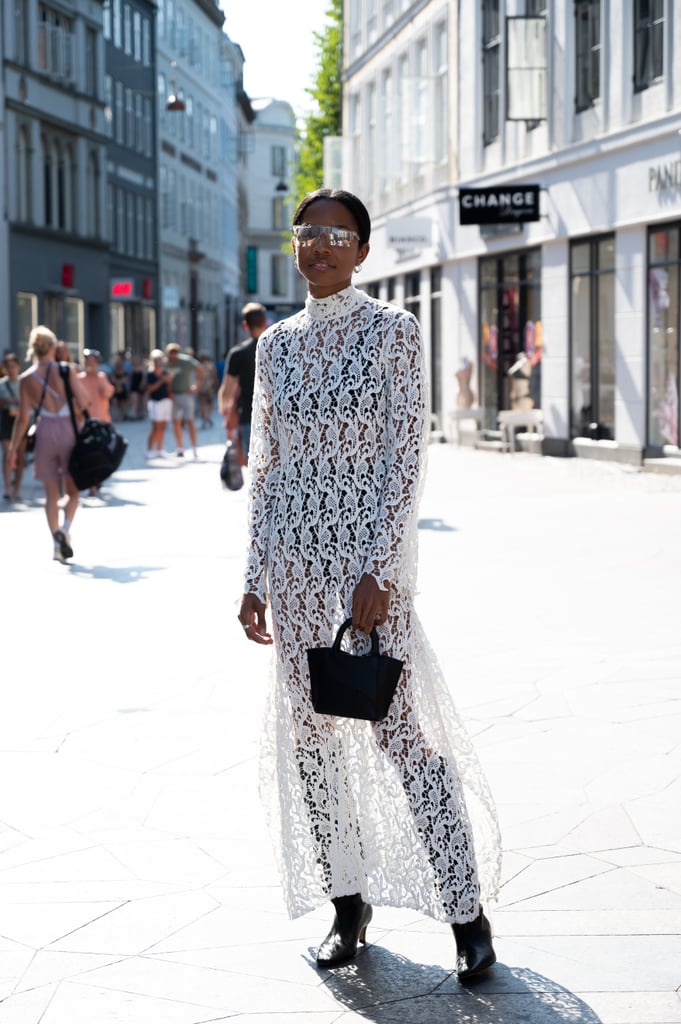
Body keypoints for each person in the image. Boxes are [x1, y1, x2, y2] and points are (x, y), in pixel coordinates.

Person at [237, 189, 501, 978]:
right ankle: (346, 908)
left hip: (365, 578)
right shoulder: (275, 346)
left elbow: (403, 458)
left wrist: (381, 569)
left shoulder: (394, 331)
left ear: (362, 249)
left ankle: (466, 915)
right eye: (306, 233)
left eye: (335, 235)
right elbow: (266, 466)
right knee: (311, 744)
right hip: (293, 572)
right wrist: (253, 574)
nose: (317, 246)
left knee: (403, 739)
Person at [8, 325, 90, 562]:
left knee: (50, 494)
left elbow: (23, 419)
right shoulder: (65, 370)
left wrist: (13, 450)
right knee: (73, 491)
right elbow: (84, 401)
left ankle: (56, 542)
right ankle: (65, 529)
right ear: (53, 347)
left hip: (44, 432)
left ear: (33, 350)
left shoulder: (26, 379)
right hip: (69, 431)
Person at [217, 303, 268, 461]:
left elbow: (227, 390)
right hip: (276, 417)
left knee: (254, 464)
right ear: (266, 322)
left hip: (249, 415)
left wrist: (226, 413)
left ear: (245, 326)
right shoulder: (279, 347)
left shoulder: (237, 353)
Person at [78, 348, 115, 495]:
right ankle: (91, 482)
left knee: (101, 453)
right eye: (88, 361)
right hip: (84, 422)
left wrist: (98, 378)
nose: (90, 364)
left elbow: (107, 393)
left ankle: (97, 480)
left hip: (101, 420)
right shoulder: (78, 378)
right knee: (88, 454)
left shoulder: (101, 377)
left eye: (93, 361)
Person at [165, 342, 203, 457]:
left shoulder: (185, 361)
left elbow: (200, 369)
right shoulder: (166, 363)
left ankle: (194, 447)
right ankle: (180, 447)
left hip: (185, 394)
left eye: (174, 354)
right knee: (175, 422)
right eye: (171, 354)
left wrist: (196, 385)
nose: (173, 357)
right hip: (172, 396)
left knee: (190, 421)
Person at [0, 353, 26, 500]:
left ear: (18, 367)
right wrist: (5, 401)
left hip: (22, 419)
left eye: (13, 366)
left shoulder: (24, 382)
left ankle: (17, 488)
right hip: (6, 420)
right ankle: (8, 487)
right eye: (8, 367)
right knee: (7, 454)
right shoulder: (1, 385)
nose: (11, 369)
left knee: (20, 456)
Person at [145, 350, 173, 458]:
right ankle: (149, 450)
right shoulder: (150, 374)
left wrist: (169, 381)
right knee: (155, 427)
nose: (159, 362)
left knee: (163, 427)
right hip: (155, 402)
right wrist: (161, 380)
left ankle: (160, 449)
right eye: (157, 360)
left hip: (166, 400)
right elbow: (150, 389)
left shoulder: (165, 372)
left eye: (161, 360)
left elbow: (170, 388)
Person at [197, 352, 219, 428]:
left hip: (201, 387)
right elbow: (214, 376)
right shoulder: (211, 365)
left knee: (202, 404)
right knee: (210, 403)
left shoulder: (198, 366)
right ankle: (208, 416)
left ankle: (204, 418)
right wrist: (216, 384)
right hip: (209, 387)